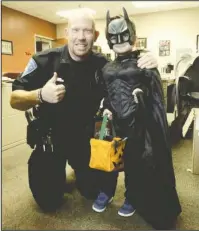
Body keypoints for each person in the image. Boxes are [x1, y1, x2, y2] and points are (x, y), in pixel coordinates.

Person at [10, 8, 158, 212]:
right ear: (67, 33)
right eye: (76, 30)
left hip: (84, 141)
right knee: (49, 202)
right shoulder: (43, 60)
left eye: (87, 31)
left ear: (95, 36)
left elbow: (130, 69)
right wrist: (40, 95)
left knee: (91, 192)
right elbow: (14, 99)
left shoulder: (103, 64)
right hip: (51, 141)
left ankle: (78, 170)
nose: (81, 37)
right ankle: (55, 173)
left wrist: (149, 61)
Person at [91, 8, 182, 230]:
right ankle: (106, 191)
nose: (120, 40)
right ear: (109, 40)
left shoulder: (144, 61)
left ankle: (133, 196)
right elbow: (105, 92)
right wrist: (106, 107)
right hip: (115, 122)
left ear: (132, 35)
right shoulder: (106, 67)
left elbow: (155, 95)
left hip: (140, 124)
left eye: (123, 35)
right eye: (114, 37)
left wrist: (152, 65)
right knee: (108, 156)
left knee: (137, 162)